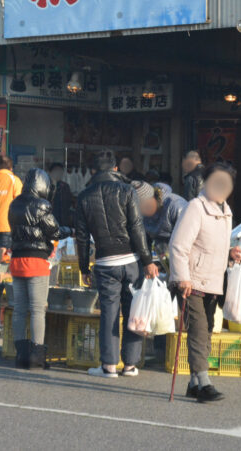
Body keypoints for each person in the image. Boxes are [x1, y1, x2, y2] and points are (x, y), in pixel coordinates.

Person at [74, 151, 158, 378]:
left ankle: (109, 366)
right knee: (134, 312)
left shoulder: (83, 197)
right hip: (131, 261)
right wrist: (148, 260)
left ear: (93, 171)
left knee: (109, 313)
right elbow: (137, 228)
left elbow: (81, 237)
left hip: (104, 262)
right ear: (114, 169)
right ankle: (130, 365)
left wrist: (84, 267)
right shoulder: (127, 191)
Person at [168, 163, 241, 403]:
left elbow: (214, 244)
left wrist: (230, 253)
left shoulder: (226, 211)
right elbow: (178, 245)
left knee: (207, 330)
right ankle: (204, 382)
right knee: (199, 331)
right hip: (193, 280)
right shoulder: (195, 208)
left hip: (214, 281)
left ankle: (193, 383)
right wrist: (182, 278)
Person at [9, 168, 70, 369]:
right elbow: (54, 231)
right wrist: (72, 230)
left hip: (17, 261)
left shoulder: (14, 204)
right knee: (37, 310)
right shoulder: (42, 205)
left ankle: (21, 356)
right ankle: (37, 356)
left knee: (19, 310)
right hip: (36, 262)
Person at [131, 180, 188, 258]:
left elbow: (186, 239)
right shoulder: (141, 213)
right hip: (163, 254)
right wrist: (148, 262)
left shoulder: (176, 205)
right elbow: (144, 239)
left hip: (183, 253)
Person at [47, 163, 74, 227]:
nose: (58, 174)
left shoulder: (65, 186)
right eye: (56, 171)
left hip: (63, 221)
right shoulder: (45, 186)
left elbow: (69, 203)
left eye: (60, 172)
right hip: (49, 220)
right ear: (50, 172)